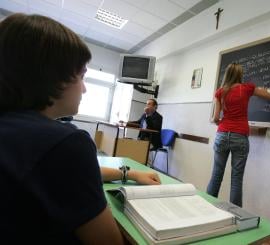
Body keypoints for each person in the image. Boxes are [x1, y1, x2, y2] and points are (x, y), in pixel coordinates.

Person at [0, 13, 160, 244]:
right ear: (54, 76)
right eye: (82, 76)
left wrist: (130, 173)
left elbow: (63, 171)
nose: (84, 89)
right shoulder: (67, 142)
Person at [206, 63, 270, 207]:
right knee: (236, 179)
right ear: (240, 75)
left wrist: (221, 123)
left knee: (216, 175)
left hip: (222, 134)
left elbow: (215, 118)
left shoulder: (220, 92)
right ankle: (236, 215)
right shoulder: (247, 88)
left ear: (227, 74)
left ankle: (206, 209)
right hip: (240, 136)